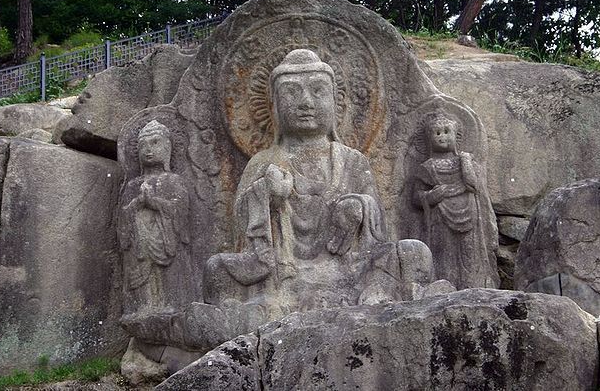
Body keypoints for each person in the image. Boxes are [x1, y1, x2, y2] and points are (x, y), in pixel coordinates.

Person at [204, 49, 433, 313]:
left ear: (335, 102)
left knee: (414, 253)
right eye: (292, 93)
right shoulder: (264, 161)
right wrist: (266, 195)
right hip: (285, 269)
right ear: (275, 106)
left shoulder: (352, 160)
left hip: (349, 265)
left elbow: (379, 231)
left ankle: (369, 294)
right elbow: (242, 231)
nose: (306, 103)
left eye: (317, 91)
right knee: (217, 269)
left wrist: (359, 208)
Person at [413, 114, 499, 289]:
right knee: (444, 255)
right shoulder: (427, 167)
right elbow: (415, 197)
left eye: (446, 132)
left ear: (456, 136)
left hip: (469, 215)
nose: (441, 136)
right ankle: (442, 287)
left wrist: (465, 160)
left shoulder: (466, 161)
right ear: (429, 139)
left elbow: (473, 185)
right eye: (436, 133)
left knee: (469, 256)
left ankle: (473, 287)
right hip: (439, 219)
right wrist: (430, 197)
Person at [118, 119, 191, 314]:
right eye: (143, 145)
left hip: (165, 243)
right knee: (142, 287)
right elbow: (123, 217)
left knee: (169, 282)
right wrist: (137, 203)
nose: (148, 149)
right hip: (140, 248)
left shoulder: (173, 181)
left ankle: (172, 306)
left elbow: (180, 211)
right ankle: (141, 307)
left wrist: (154, 203)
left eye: (155, 142)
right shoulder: (133, 185)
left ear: (168, 147)